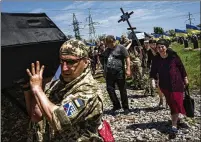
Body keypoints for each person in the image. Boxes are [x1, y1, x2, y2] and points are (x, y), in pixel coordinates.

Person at [23, 39, 104, 141]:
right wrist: (30, 89)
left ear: (86, 62)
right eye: (61, 61)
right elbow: (37, 114)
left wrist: (38, 89)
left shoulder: (88, 91)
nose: (64, 68)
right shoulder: (59, 84)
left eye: (71, 62)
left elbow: (58, 120)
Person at [150, 39, 189, 133]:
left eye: (162, 46)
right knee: (172, 103)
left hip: (177, 83)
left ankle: (174, 124)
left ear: (166, 47)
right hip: (165, 85)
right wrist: (152, 80)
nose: (160, 48)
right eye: (158, 47)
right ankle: (177, 117)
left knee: (176, 101)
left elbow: (181, 67)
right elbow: (153, 71)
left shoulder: (173, 56)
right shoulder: (156, 59)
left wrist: (185, 78)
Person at [103, 35, 131, 114]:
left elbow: (127, 57)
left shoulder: (121, 48)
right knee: (109, 89)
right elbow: (105, 62)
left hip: (119, 72)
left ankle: (125, 107)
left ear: (114, 41)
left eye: (111, 43)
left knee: (122, 90)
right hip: (109, 73)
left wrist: (128, 69)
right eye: (108, 44)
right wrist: (104, 71)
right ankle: (116, 105)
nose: (110, 45)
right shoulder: (107, 50)